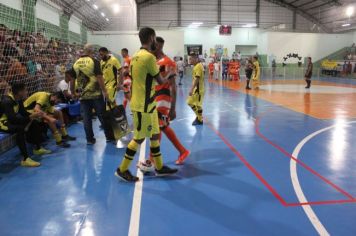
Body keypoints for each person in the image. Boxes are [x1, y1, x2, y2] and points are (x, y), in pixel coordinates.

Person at [115, 27, 178, 182]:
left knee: (155, 135)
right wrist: (171, 72)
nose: (155, 41)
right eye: (155, 38)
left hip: (148, 104)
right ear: (151, 38)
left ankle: (160, 166)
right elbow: (161, 81)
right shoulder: (149, 57)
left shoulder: (135, 56)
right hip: (143, 106)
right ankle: (122, 169)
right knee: (139, 138)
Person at [141, 36, 190, 168]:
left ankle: (151, 160)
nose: (151, 47)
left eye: (154, 45)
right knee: (162, 127)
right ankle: (183, 151)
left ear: (159, 46)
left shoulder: (168, 62)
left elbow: (174, 87)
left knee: (158, 127)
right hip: (154, 97)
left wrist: (173, 108)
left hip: (163, 98)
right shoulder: (153, 60)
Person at [69, 44, 115, 144]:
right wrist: (105, 91)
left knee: (86, 119)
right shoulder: (94, 62)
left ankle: (90, 139)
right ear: (91, 51)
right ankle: (109, 137)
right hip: (96, 95)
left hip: (83, 96)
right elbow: (99, 78)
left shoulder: (76, 63)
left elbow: (72, 80)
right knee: (102, 116)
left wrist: (72, 92)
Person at [0, 83, 51, 167]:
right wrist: (31, 117)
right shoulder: (7, 101)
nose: (27, 92)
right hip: (2, 123)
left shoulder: (18, 99)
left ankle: (38, 148)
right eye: (25, 90)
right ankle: (25, 159)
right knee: (19, 129)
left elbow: (23, 113)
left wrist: (35, 114)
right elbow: (13, 119)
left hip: (10, 121)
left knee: (34, 122)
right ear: (20, 92)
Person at [187, 52, 205, 126]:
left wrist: (191, 89)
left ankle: (200, 119)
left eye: (191, 59)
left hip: (198, 90)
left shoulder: (198, 66)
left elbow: (197, 78)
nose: (190, 60)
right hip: (198, 89)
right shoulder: (198, 65)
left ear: (195, 58)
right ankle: (199, 118)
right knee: (195, 104)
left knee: (192, 103)